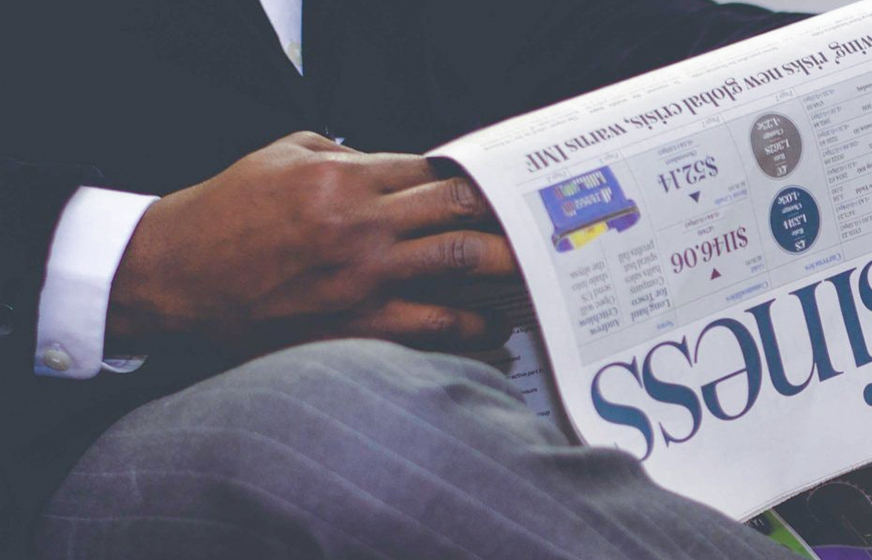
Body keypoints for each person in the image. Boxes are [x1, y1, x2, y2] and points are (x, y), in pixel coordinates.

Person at [0, 0, 813, 558]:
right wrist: (138, 264)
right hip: (57, 437)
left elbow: (616, 42)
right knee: (344, 431)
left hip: (498, 397)